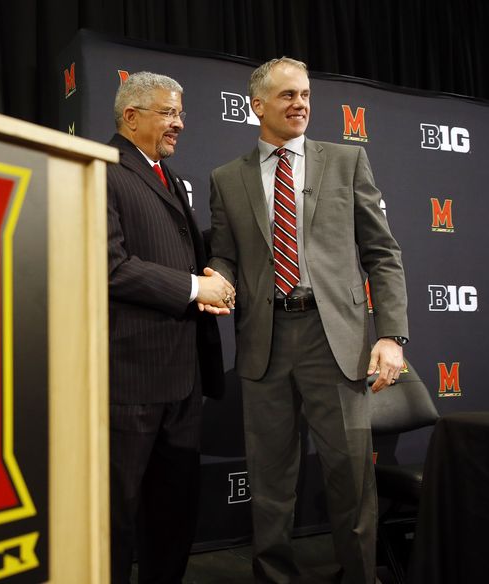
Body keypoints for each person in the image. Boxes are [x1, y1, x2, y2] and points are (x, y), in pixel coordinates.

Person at [207, 57, 409, 583]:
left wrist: (390, 334)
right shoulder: (227, 179)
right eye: (287, 96)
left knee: (349, 477)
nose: (300, 105)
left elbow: (382, 254)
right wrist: (218, 278)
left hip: (334, 340)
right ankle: (274, 577)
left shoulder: (346, 161)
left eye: (305, 95)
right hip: (264, 341)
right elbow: (226, 255)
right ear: (257, 106)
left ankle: (360, 575)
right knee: (270, 481)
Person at [107, 71, 234, 583]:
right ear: (131, 116)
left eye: (180, 112)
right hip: (130, 378)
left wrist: (220, 260)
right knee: (115, 518)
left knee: (173, 515)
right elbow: (108, 264)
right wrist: (192, 288)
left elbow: (178, 249)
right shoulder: (103, 169)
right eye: (168, 112)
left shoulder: (165, 174)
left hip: (183, 379)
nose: (180, 123)